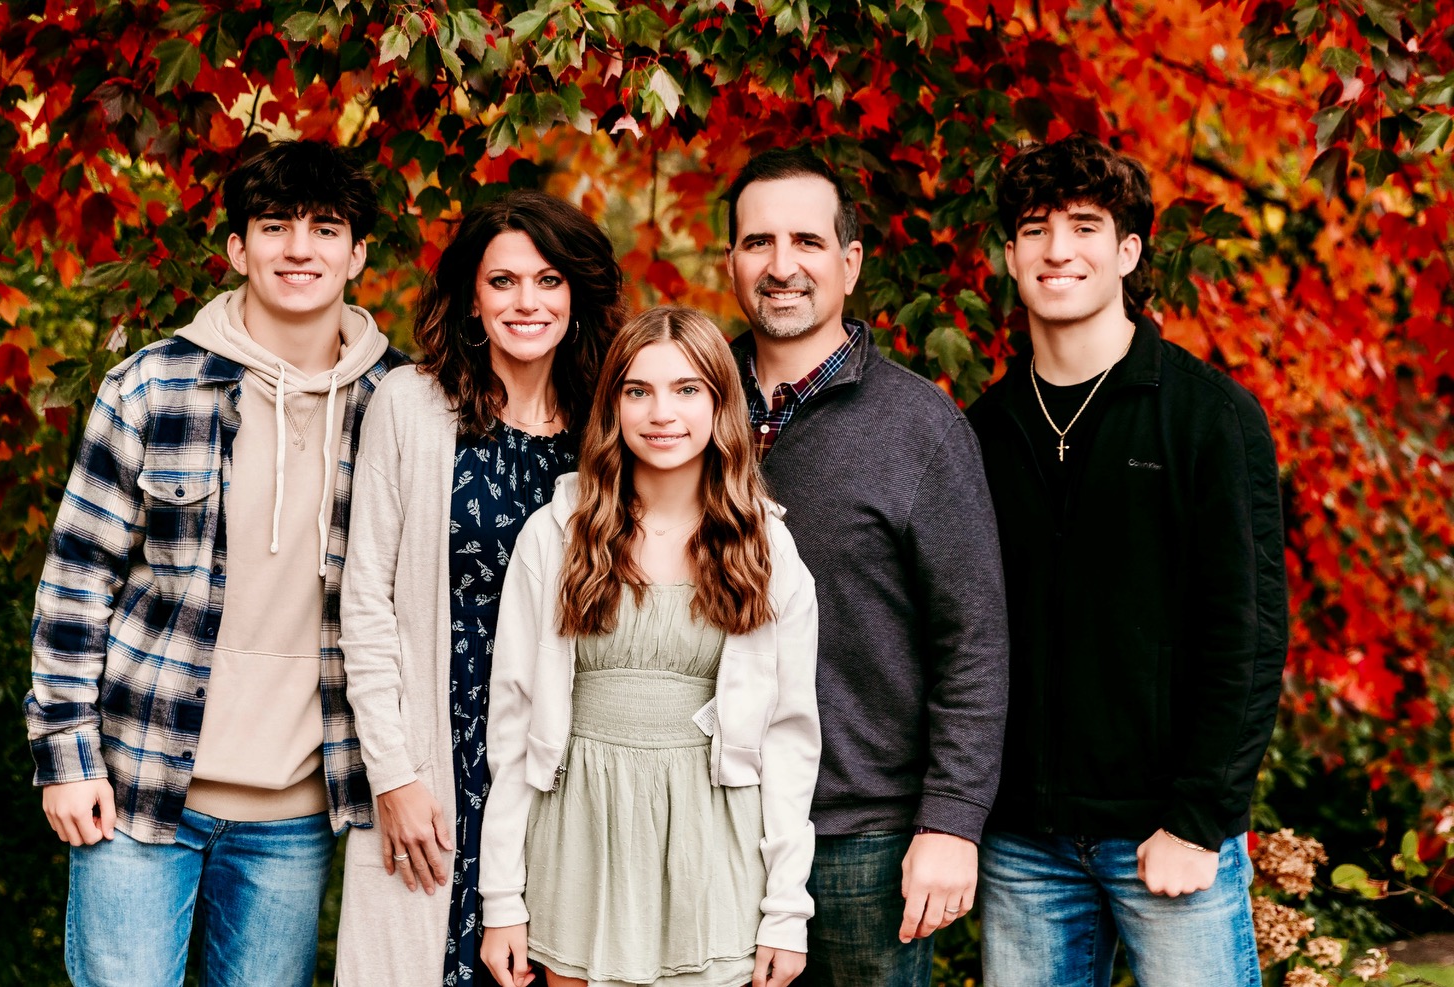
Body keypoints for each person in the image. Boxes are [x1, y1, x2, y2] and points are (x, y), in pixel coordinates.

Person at [23, 139, 406, 986]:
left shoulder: (398, 404)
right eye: (274, 226)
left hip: (295, 812)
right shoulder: (150, 386)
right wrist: (66, 753)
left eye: (325, 228)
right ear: (238, 249)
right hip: (138, 787)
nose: (299, 248)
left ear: (358, 252)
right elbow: (76, 583)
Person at [966, 133, 1288, 986]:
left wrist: (1198, 817)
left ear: (1128, 251)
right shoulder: (982, 432)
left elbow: (1247, 636)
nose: (1058, 249)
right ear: (1010, 254)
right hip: (1022, 845)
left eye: (1084, 226)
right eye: (1034, 229)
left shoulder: (1209, 417)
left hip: (1168, 836)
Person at [721, 147, 1010, 986]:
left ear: (850, 263)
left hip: (864, 839)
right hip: (715, 821)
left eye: (807, 242)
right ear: (732, 262)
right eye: (758, 243)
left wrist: (952, 821)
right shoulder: (689, 409)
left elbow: (976, 641)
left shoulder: (921, 425)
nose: (782, 266)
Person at [477, 305, 820, 987]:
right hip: (578, 836)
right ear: (613, 407)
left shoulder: (766, 546)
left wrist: (786, 908)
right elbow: (512, 726)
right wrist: (501, 898)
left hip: (712, 842)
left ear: (721, 404)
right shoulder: (556, 537)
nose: (662, 411)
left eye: (687, 389)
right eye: (639, 390)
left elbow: (788, 740)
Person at [335, 190, 625, 986]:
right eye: (502, 282)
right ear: (471, 295)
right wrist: (393, 773)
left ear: (578, 293)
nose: (526, 302)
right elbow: (365, 603)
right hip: (442, 757)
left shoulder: (613, 423)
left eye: (548, 280)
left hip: (569, 764)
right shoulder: (411, 405)